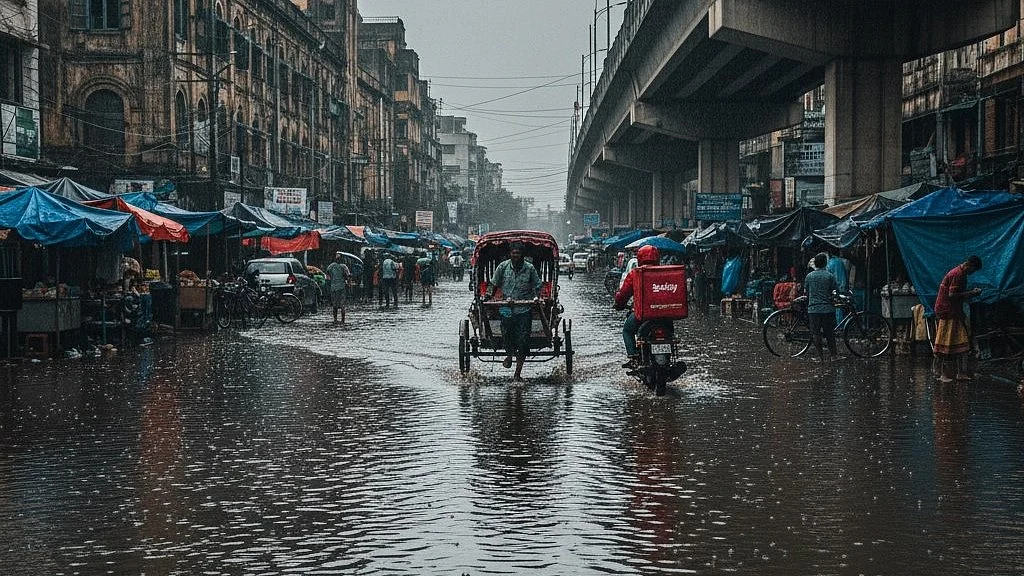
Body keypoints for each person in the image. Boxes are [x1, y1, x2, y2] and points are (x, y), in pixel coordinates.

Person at [484, 242, 541, 381]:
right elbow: (493, 284)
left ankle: (517, 373)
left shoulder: (529, 268)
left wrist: (536, 297)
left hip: (524, 307)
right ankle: (509, 356)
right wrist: (486, 297)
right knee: (506, 334)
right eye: (513, 253)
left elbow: (537, 285)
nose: (515, 256)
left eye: (518, 253)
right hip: (506, 308)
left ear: (522, 255)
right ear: (510, 254)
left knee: (523, 339)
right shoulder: (503, 267)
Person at [933, 255, 983, 382]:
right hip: (947, 311)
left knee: (961, 343)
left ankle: (960, 373)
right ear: (969, 265)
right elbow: (952, 295)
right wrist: (972, 293)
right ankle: (942, 374)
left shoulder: (960, 273)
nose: (972, 273)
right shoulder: (958, 274)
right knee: (946, 343)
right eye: (973, 270)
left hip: (953, 311)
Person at [612, 244, 660, 367]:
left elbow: (623, 294)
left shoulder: (635, 274)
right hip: (664, 316)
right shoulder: (666, 272)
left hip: (642, 315)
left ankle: (634, 358)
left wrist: (619, 304)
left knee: (627, 331)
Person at [805, 252, 839, 361]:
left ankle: (820, 357)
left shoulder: (809, 276)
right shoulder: (829, 276)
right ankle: (833, 356)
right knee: (829, 333)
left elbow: (806, 291)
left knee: (816, 333)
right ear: (825, 263)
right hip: (827, 309)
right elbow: (834, 290)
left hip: (813, 309)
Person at [325, 252, 351, 324]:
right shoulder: (344, 266)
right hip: (342, 287)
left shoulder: (331, 266)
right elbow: (348, 276)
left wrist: (331, 280)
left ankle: (335, 319)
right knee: (342, 304)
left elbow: (327, 275)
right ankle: (342, 320)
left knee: (335, 304)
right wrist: (349, 284)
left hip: (333, 287)